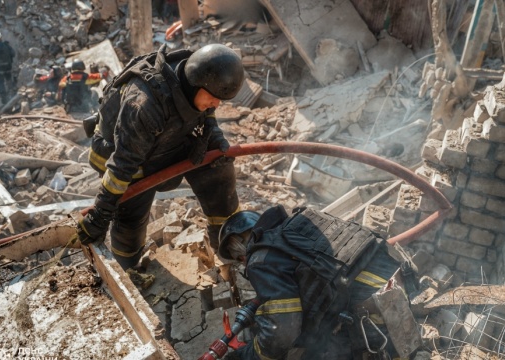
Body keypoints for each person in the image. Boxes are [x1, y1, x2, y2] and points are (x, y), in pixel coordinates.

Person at [76, 43, 244, 270]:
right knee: (130, 221)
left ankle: (227, 244)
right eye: (213, 98)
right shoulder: (145, 104)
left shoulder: (198, 78)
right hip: (125, 158)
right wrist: (99, 216)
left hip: (167, 144)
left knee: (219, 170)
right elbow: (121, 166)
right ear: (195, 85)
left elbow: (207, 115)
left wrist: (216, 141)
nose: (216, 104)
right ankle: (127, 269)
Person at [217, 205, 413, 360]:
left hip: (372, 310)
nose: (244, 262)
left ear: (240, 248)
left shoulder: (259, 259)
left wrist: (250, 355)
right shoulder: (300, 223)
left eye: (239, 258)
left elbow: (283, 331)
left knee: (313, 350)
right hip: (404, 282)